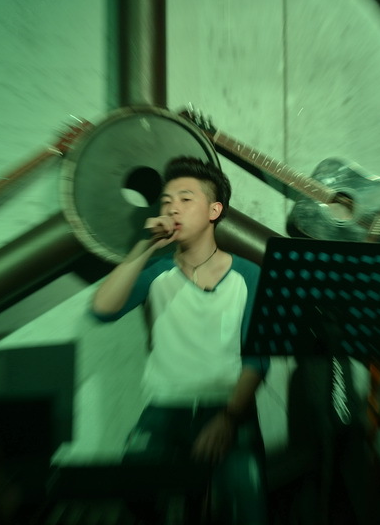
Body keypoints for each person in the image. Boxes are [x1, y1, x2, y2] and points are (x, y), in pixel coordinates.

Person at [92, 156, 268, 524]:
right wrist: (144, 247)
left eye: (186, 199)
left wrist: (228, 418)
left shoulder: (248, 275)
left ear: (214, 210)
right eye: (167, 201)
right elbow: (102, 310)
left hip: (228, 408)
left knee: (246, 502)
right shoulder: (155, 273)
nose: (172, 208)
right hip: (165, 409)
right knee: (135, 497)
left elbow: (257, 359)